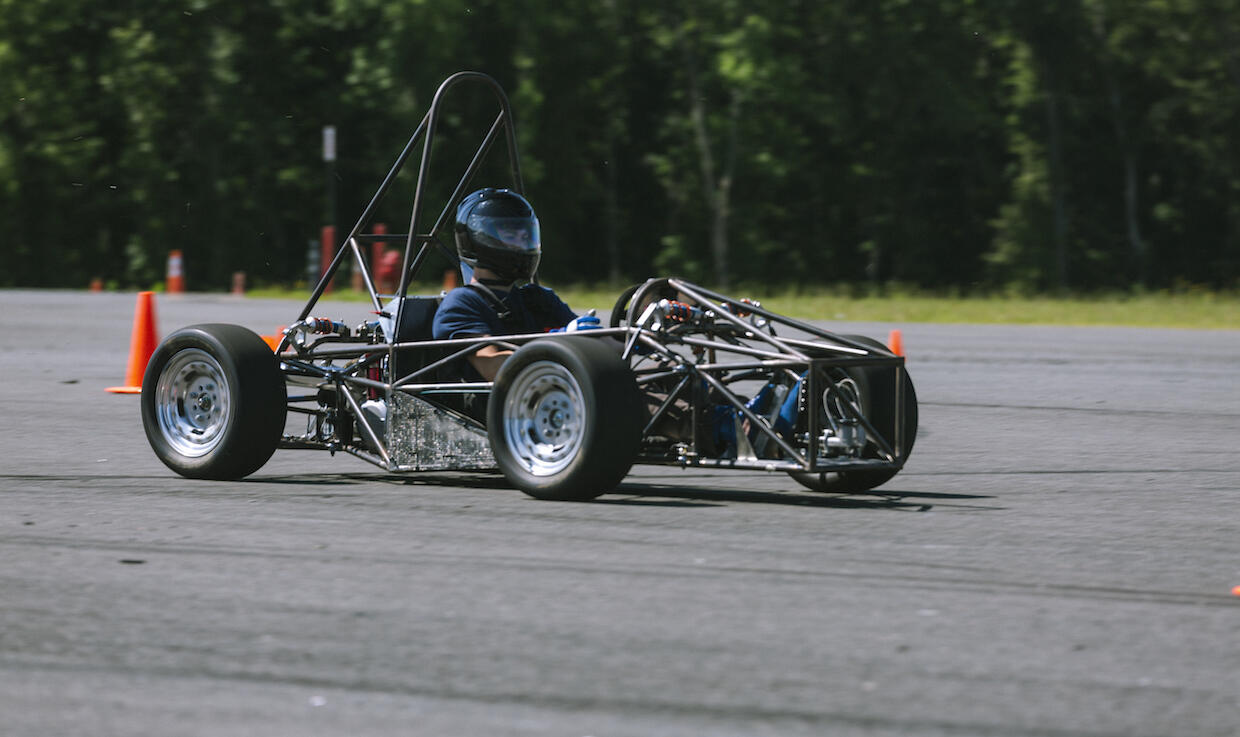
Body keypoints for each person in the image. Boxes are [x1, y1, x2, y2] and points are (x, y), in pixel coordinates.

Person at [432, 188, 600, 381]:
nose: (521, 246)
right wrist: (558, 342)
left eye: (525, 237)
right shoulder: (462, 303)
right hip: (491, 406)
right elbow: (492, 366)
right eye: (511, 237)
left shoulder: (537, 299)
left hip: (549, 396)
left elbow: (596, 342)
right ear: (479, 240)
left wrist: (630, 338)